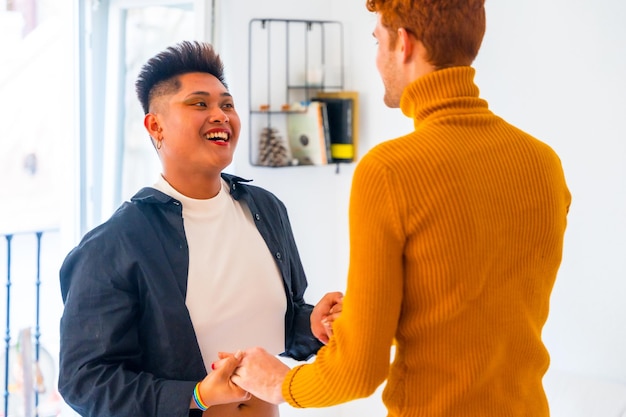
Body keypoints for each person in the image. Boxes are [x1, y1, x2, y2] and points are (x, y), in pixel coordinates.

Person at [230, 1, 572, 416]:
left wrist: (280, 382)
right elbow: (474, 305)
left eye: (378, 40)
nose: (376, 57)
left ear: (404, 44)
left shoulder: (390, 170)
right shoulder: (542, 162)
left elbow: (358, 374)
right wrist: (364, 318)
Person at [58, 40, 323, 417]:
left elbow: (277, 321)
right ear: (156, 125)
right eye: (200, 104)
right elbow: (85, 382)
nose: (220, 115)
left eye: (226, 104)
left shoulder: (266, 210)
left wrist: (313, 323)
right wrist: (196, 396)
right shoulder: (114, 245)